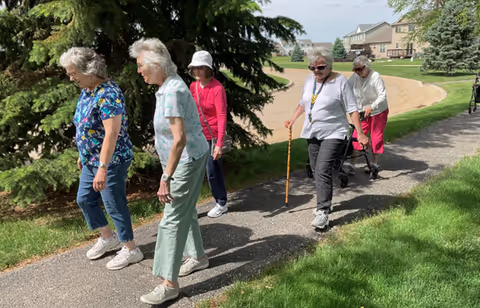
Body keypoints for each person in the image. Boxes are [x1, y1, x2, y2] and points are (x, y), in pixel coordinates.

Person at [129, 38, 210, 305]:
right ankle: (197, 256)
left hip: (186, 159)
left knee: (172, 218)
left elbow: (179, 139)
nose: (139, 70)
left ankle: (169, 284)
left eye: (141, 65)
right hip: (184, 158)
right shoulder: (166, 87)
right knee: (184, 210)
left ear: (156, 63)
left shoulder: (173, 90)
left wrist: (166, 177)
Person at [59, 47, 144, 270]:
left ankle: (131, 249)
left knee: (114, 203)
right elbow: (85, 126)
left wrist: (103, 168)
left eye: (73, 72)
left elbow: (111, 134)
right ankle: (108, 238)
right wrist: (83, 153)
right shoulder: (87, 91)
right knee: (84, 199)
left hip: (112, 160)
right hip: (91, 159)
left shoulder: (108, 94)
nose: (71, 77)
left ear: (90, 70)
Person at [285, 47, 369, 230]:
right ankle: (327, 200)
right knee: (316, 170)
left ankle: (322, 211)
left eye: (321, 67)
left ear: (329, 65)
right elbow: (304, 102)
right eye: (312, 68)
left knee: (322, 169)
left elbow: (352, 109)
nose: (316, 71)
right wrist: (293, 119)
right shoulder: (309, 81)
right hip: (313, 132)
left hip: (334, 132)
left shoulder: (340, 82)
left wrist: (360, 133)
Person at [188, 50, 229, 218]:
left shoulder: (217, 88)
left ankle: (221, 202)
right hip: (197, 135)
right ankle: (189, 206)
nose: (197, 71)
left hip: (212, 136)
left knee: (212, 171)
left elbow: (221, 116)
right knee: (193, 172)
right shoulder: (193, 86)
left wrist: (219, 144)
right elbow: (191, 111)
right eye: (194, 68)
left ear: (208, 69)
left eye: (200, 67)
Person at [348, 55, 389, 172]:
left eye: (359, 69)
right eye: (355, 69)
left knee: (376, 136)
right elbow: (346, 88)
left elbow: (382, 95)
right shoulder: (355, 77)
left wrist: (372, 107)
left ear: (367, 67)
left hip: (378, 111)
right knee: (357, 135)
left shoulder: (375, 77)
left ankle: (374, 163)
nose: (357, 72)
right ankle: (352, 164)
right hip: (362, 112)